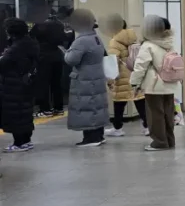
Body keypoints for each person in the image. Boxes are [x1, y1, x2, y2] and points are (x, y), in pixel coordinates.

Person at [131, 16, 178, 151]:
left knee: (155, 114)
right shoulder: (169, 43)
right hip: (169, 83)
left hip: (154, 85)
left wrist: (134, 83)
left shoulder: (148, 45)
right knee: (168, 114)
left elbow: (140, 66)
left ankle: (159, 142)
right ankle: (169, 140)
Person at [64, 9, 109, 147]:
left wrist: (66, 53)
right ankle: (99, 135)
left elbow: (71, 60)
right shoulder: (95, 37)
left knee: (86, 107)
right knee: (96, 106)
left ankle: (91, 138)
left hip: (84, 79)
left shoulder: (81, 41)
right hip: (96, 76)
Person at [102, 14, 147, 138]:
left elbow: (113, 61)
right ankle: (147, 126)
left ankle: (118, 128)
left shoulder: (114, 41)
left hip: (121, 76)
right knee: (140, 101)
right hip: (134, 73)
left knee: (119, 103)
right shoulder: (133, 37)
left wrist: (110, 79)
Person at [0, 19, 39, 152]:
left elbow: (3, 64)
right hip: (27, 84)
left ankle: (19, 143)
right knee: (26, 113)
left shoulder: (15, 48)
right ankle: (27, 141)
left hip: (13, 86)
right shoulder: (31, 43)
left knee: (15, 114)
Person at [30, 11, 70, 116]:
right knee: (56, 84)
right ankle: (59, 107)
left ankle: (45, 109)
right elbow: (64, 38)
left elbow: (32, 36)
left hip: (44, 57)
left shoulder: (40, 25)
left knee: (43, 84)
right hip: (57, 57)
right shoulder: (59, 25)